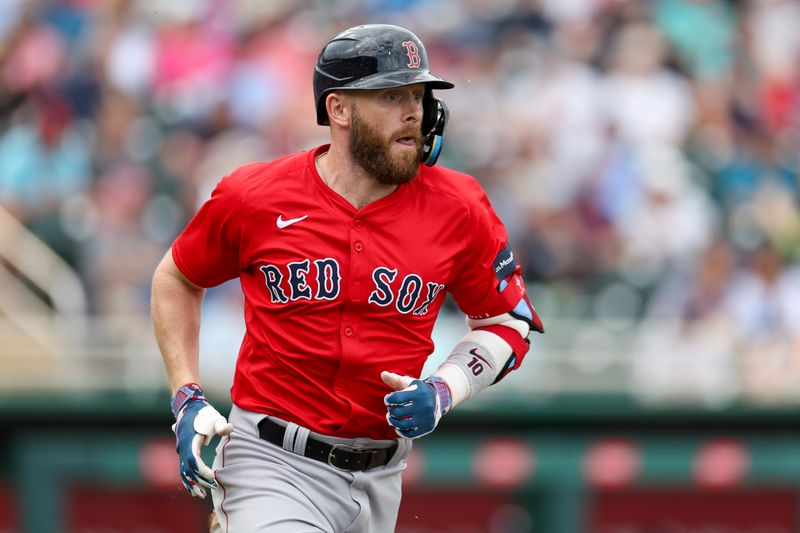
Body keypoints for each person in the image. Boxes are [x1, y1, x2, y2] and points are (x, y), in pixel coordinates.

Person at [151, 23, 543, 532]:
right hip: (271, 459)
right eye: (390, 95)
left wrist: (447, 389)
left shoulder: (459, 206)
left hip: (383, 476)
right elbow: (177, 277)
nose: (413, 112)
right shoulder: (256, 196)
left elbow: (508, 322)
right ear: (339, 109)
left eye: (419, 95)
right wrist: (186, 394)